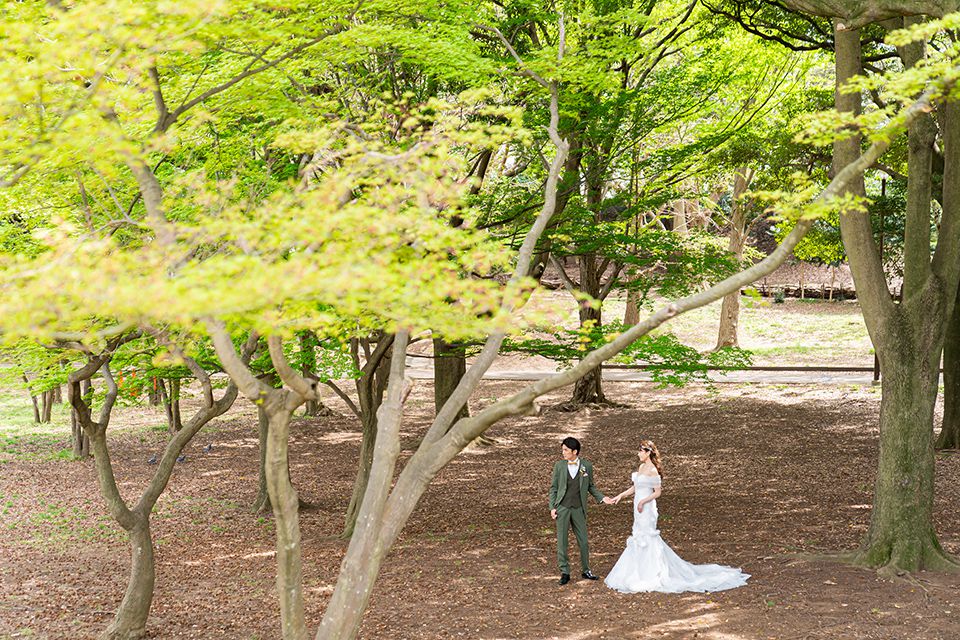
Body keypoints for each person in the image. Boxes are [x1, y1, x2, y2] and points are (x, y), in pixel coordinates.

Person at [604, 440, 750, 593]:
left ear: (648, 453)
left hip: (646, 508)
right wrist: (620, 495)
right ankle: (637, 571)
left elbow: (657, 492)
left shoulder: (653, 470)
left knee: (647, 536)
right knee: (638, 534)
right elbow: (636, 486)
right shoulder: (641, 467)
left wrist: (643, 501)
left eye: (641, 451)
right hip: (638, 508)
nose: (638, 453)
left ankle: (653, 572)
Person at [548, 436, 615, 585]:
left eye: (566, 450)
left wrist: (603, 498)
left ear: (575, 451)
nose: (563, 453)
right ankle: (565, 572)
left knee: (583, 541)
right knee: (562, 542)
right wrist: (552, 507)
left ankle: (586, 570)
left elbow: (591, 486)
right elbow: (553, 488)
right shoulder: (559, 466)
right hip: (562, 508)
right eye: (563, 450)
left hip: (578, 508)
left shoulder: (586, 466)